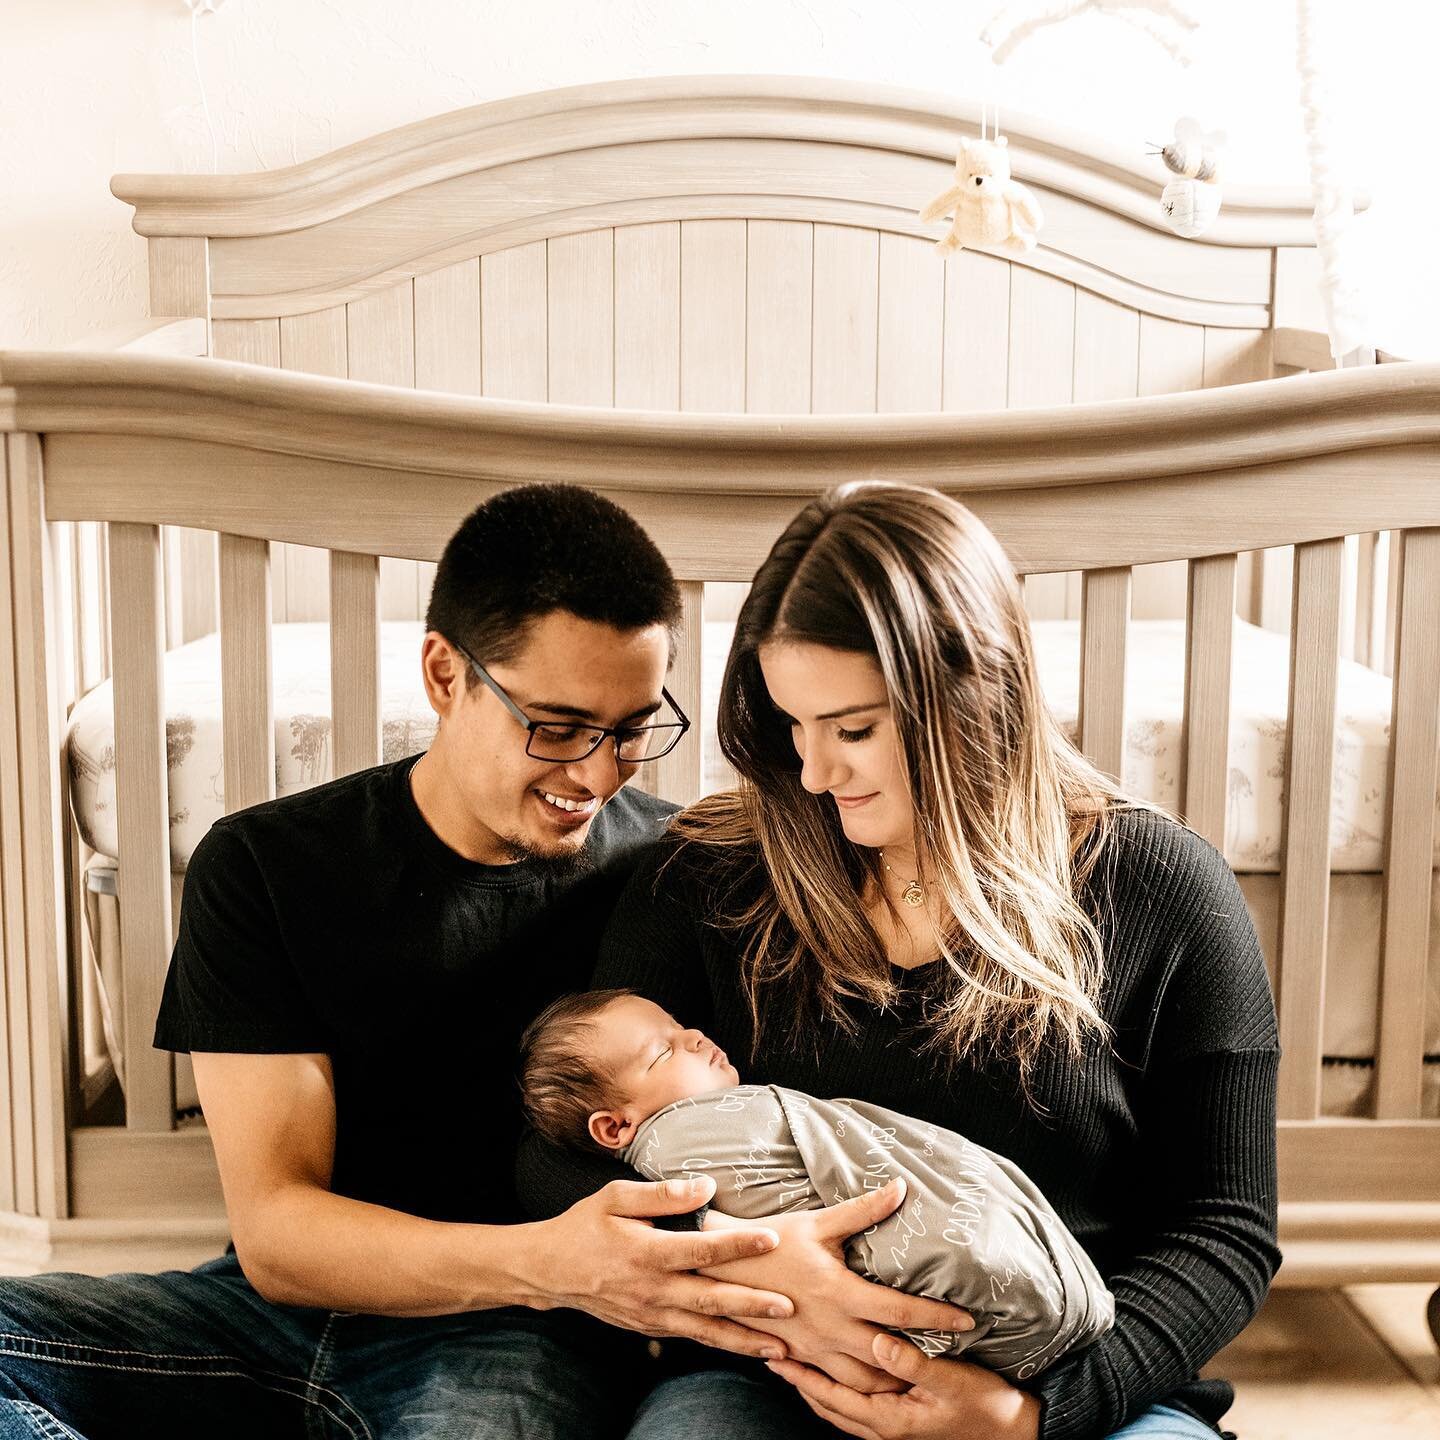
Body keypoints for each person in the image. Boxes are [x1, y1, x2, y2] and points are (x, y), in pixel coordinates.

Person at [0, 484, 967, 1440]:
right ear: (444, 675)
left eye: (630, 731)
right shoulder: (263, 865)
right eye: (555, 727)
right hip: (288, 1312)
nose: (594, 774)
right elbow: (279, 1235)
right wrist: (546, 1258)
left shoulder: (669, 874)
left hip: (512, 1336)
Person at [521, 481, 1281, 1440]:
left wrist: (1029, 1415)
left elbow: (1224, 1230)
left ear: (976, 695)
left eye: (853, 730)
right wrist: (739, 1255)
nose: (812, 773)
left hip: (1079, 1389)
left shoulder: (1164, 890)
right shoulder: (709, 876)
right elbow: (555, 1158)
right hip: (774, 1373)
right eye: (792, 725)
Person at [520, 987, 1115, 1381]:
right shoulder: (684, 1144)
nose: (695, 1037)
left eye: (682, 1026)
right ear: (616, 1127)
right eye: (663, 1050)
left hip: (1088, 1373)